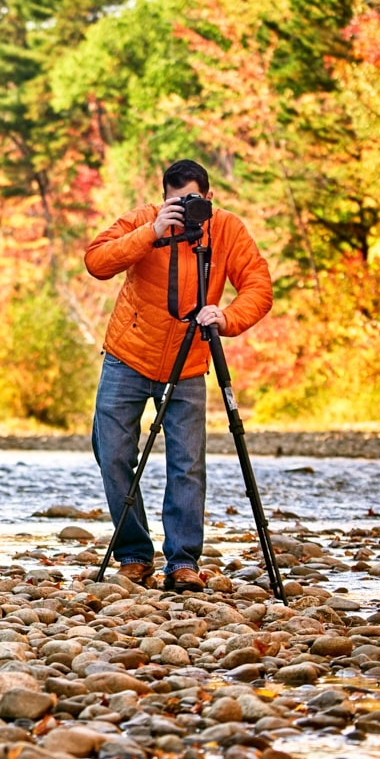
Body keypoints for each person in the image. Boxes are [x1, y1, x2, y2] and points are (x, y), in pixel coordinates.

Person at [83, 159, 273, 591]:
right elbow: (96, 261)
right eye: (175, 201)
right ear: (163, 198)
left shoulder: (226, 230)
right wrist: (150, 234)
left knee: (187, 465)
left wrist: (225, 317)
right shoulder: (145, 221)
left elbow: (259, 286)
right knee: (112, 452)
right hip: (127, 356)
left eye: (192, 201)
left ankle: (182, 562)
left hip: (189, 361)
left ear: (208, 198)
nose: (184, 209)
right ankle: (133, 553)